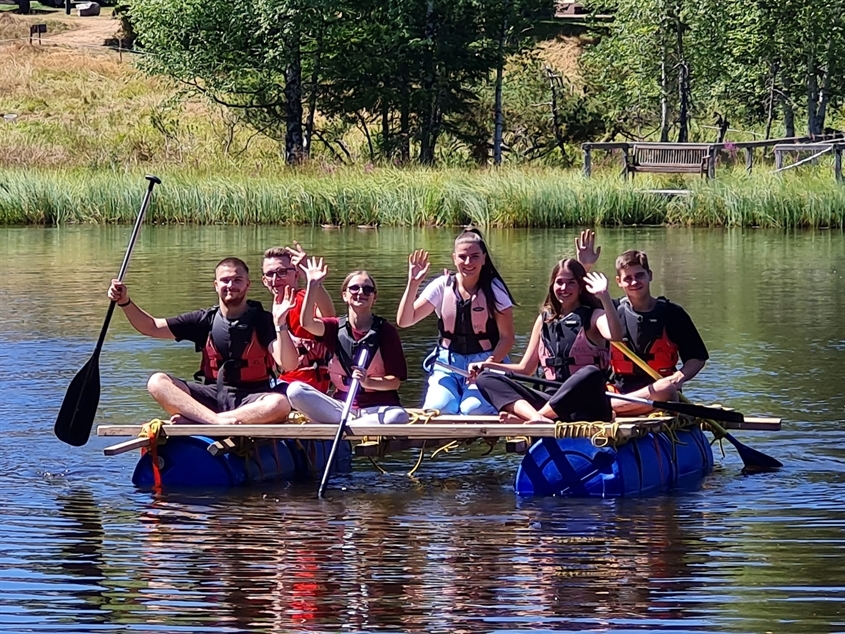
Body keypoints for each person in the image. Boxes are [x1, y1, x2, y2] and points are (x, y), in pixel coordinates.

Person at [107, 257, 291, 425]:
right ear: (216, 285)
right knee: (157, 382)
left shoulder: (263, 320)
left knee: (279, 403)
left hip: (253, 398)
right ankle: (213, 421)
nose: (231, 285)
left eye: (237, 280)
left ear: (247, 285)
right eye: (225, 280)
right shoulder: (203, 320)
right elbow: (152, 327)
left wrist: (280, 324)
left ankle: (203, 420)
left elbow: (288, 364)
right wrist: (125, 301)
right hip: (212, 396)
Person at [472, 258, 624, 423]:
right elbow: (524, 369)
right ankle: (535, 417)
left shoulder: (594, 316)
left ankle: (535, 417)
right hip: (551, 400)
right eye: (559, 282)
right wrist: (488, 366)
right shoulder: (544, 320)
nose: (564, 288)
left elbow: (616, 335)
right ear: (552, 285)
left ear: (581, 287)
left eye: (571, 283)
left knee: (591, 373)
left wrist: (604, 297)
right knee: (486, 378)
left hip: (587, 404)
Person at [396, 229, 516, 415]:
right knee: (439, 408)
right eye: (462, 257)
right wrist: (413, 283)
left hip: (484, 363)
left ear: (484, 258)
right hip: (448, 363)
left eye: (474, 256)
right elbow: (405, 321)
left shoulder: (494, 291)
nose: (468, 262)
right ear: (454, 258)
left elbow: (507, 338)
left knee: (474, 409)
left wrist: (488, 364)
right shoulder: (442, 286)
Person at [285, 258, 410, 426]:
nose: (361, 292)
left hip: (378, 409)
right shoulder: (334, 327)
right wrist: (313, 284)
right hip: (342, 408)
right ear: (345, 295)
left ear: (374, 297)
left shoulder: (386, 332)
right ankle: (350, 423)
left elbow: (394, 382)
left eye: (367, 289)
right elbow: (307, 322)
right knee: (295, 391)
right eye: (354, 288)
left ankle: (348, 426)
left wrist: (368, 381)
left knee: (398, 416)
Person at [608, 249, 709, 415]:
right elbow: (580, 300)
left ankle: (615, 410)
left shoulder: (673, 314)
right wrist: (585, 265)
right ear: (619, 281)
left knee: (665, 388)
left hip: (661, 393)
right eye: (628, 278)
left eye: (639, 275)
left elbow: (697, 358)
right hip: (620, 394)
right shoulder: (611, 313)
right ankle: (615, 408)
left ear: (650, 275)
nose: (634, 282)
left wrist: (678, 378)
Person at [260, 243, 335, 392]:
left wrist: (314, 282)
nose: (275, 279)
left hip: (310, 387)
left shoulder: (303, 299)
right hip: (282, 383)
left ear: (296, 274)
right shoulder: (264, 317)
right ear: (264, 280)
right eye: (270, 274)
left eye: (281, 272)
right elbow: (283, 363)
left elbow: (328, 316)